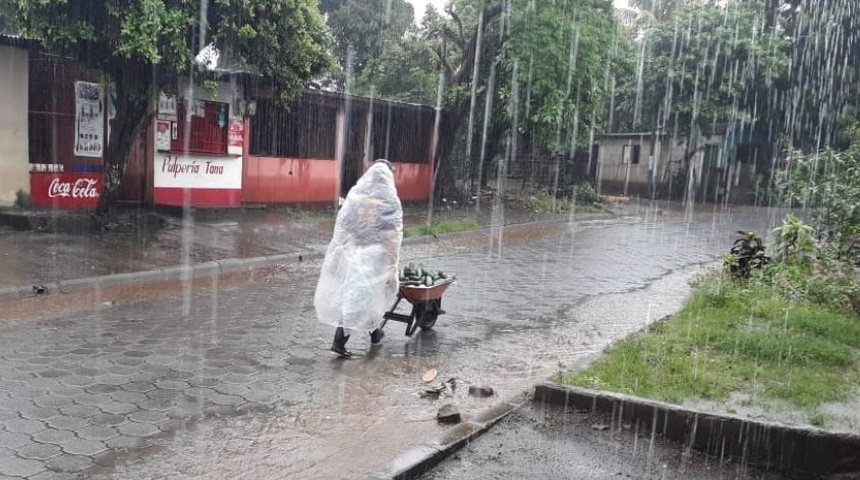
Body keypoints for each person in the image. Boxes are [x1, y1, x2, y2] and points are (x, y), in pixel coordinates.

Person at [314, 159, 403, 357]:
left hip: (356, 254)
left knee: (367, 295)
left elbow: (344, 226)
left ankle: (375, 333)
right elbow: (392, 237)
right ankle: (338, 343)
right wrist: (392, 266)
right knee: (359, 298)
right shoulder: (390, 202)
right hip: (377, 257)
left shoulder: (358, 197)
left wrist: (342, 252)